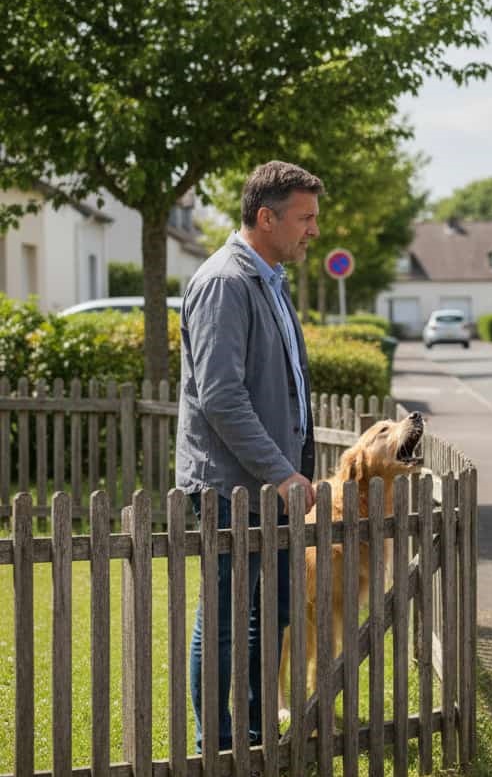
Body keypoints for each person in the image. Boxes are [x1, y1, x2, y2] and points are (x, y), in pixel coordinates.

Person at [176, 160, 322, 751]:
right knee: (225, 621)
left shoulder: (269, 280)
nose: (314, 230)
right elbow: (221, 397)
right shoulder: (224, 282)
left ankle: (257, 741)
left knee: (272, 615)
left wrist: (294, 469)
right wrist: (282, 471)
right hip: (231, 487)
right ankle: (216, 747)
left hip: (271, 485)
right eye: (305, 218)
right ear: (266, 217)